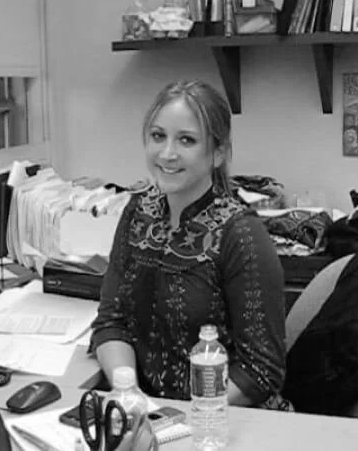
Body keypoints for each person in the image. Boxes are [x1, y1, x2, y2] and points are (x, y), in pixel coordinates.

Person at [90, 80, 288, 409]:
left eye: (187, 140)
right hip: (151, 417)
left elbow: (261, 371)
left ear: (218, 152)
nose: (167, 153)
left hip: (224, 421)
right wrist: (128, 393)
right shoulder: (137, 212)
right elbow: (112, 321)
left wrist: (190, 420)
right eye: (158, 136)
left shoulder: (241, 234)